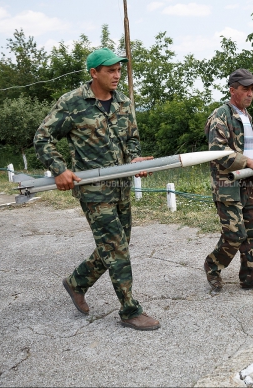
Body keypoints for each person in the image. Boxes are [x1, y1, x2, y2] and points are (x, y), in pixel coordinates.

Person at [34, 48, 160, 331]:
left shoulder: (124, 102)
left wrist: (135, 158)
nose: (117, 76)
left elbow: (132, 140)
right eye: (110, 71)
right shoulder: (72, 103)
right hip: (93, 190)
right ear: (94, 73)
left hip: (120, 187)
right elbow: (42, 138)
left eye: (119, 70)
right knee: (116, 248)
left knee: (116, 245)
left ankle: (77, 282)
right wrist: (60, 169)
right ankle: (130, 310)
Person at [203, 68, 253, 292]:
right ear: (232, 90)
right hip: (228, 186)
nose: (250, 93)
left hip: (248, 185)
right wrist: (249, 163)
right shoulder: (221, 115)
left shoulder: (246, 116)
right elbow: (218, 151)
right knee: (235, 234)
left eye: (252, 89)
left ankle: (248, 277)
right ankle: (212, 266)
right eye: (245, 89)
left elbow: (245, 152)